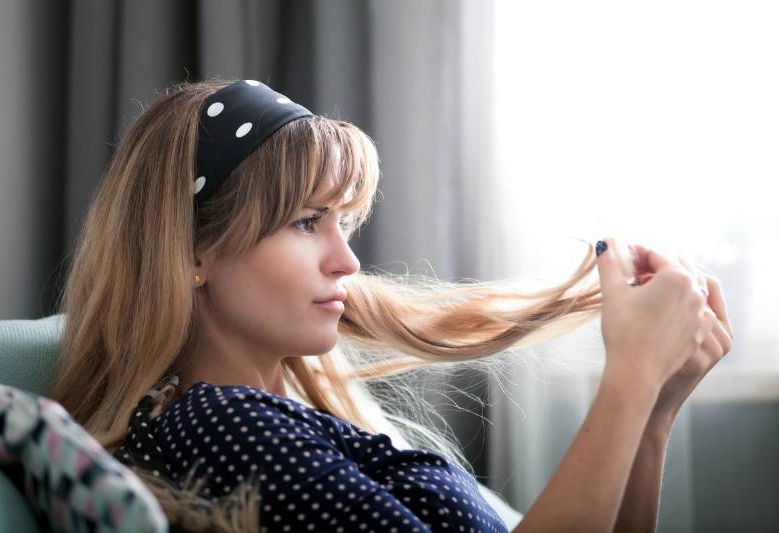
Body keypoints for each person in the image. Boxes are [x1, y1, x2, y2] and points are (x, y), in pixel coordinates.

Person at [50, 78, 733, 532]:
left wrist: (655, 409)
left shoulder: (296, 416)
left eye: (344, 224)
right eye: (306, 221)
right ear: (193, 250)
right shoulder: (219, 427)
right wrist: (631, 374)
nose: (346, 261)